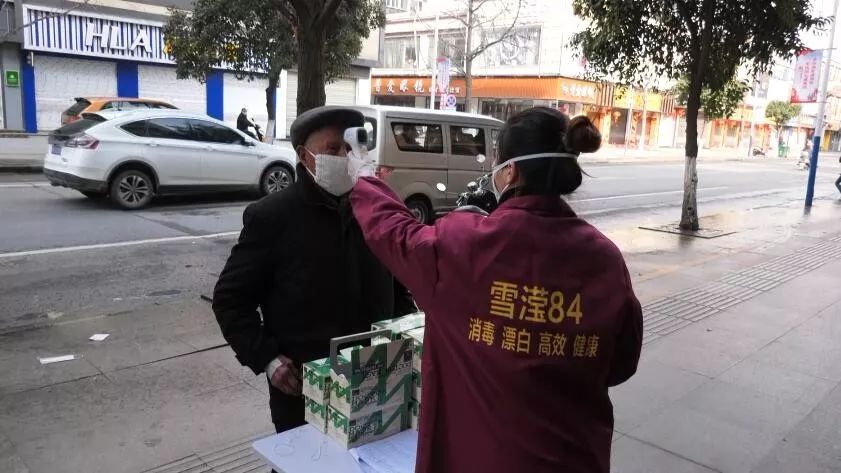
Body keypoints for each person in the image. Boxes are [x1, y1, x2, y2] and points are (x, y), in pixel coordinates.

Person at [348, 107, 643, 473]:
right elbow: (621, 365)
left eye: (496, 162)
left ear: (510, 171)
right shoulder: (605, 259)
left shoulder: (463, 246)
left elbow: (395, 232)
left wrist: (364, 179)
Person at [212, 106, 416, 440]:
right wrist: (268, 359)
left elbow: (397, 285)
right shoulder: (272, 217)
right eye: (332, 149)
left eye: (350, 148)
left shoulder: (375, 212)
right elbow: (230, 300)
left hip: (377, 376)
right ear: (303, 155)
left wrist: (410, 336)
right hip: (305, 389)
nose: (344, 157)